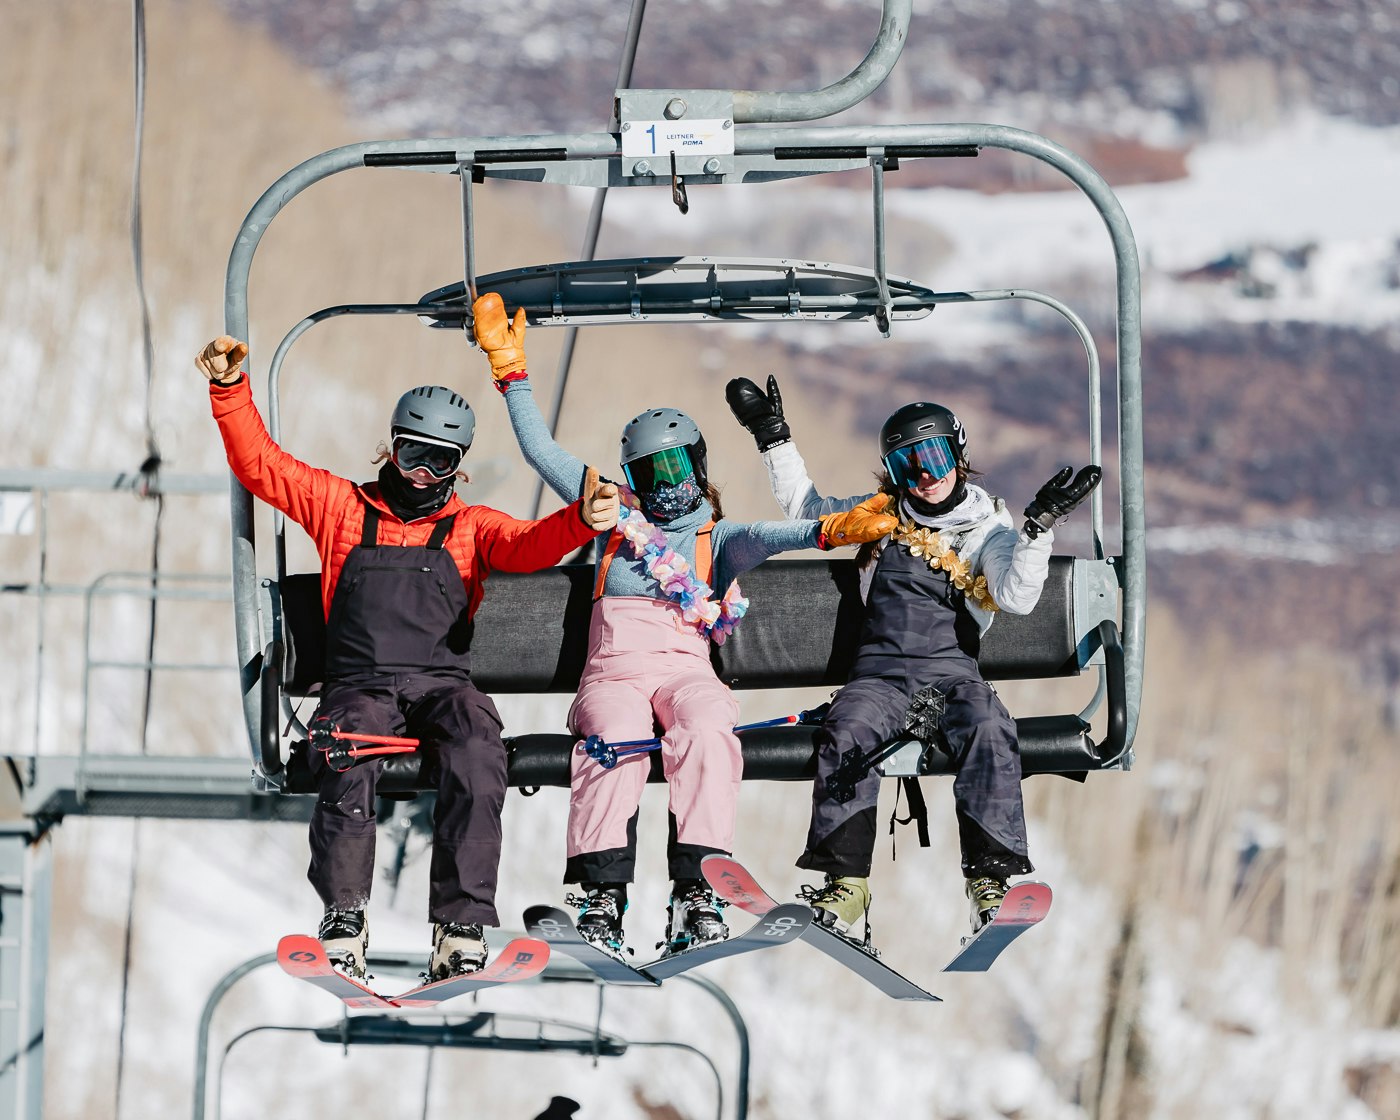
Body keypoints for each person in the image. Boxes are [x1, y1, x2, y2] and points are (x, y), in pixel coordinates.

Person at [469, 294, 896, 956]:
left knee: (707, 724)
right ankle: (601, 893)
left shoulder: (718, 539)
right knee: (614, 736)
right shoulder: (609, 513)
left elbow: (788, 532)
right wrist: (511, 371)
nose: (665, 484)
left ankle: (697, 888)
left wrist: (836, 527)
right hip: (615, 675)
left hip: (684, 673)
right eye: (650, 472)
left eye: (674, 467)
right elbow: (540, 450)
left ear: (697, 466)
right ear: (632, 478)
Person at [196, 335, 619, 980]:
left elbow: (531, 545)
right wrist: (230, 391)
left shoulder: (472, 527)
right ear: (390, 448)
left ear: (457, 467)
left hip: (441, 685)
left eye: (438, 460)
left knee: (477, 747)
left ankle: (460, 925)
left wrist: (581, 520)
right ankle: (345, 916)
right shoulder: (340, 507)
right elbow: (262, 467)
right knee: (347, 745)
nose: (421, 472)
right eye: (411, 453)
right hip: (359, 684)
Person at [725, 374, 1100, 937]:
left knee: (988, 727)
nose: (926, 475)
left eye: (936, 457)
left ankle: (990, 879)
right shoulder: (878, 516)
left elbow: (1017, 597)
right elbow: (807, 509)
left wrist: (1038, 529)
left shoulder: (986, 530)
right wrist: (772, 436)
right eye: (909, 465)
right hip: (878, 674)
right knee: (848, 729)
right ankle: (845, 884)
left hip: (952, 675)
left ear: (958, 454)